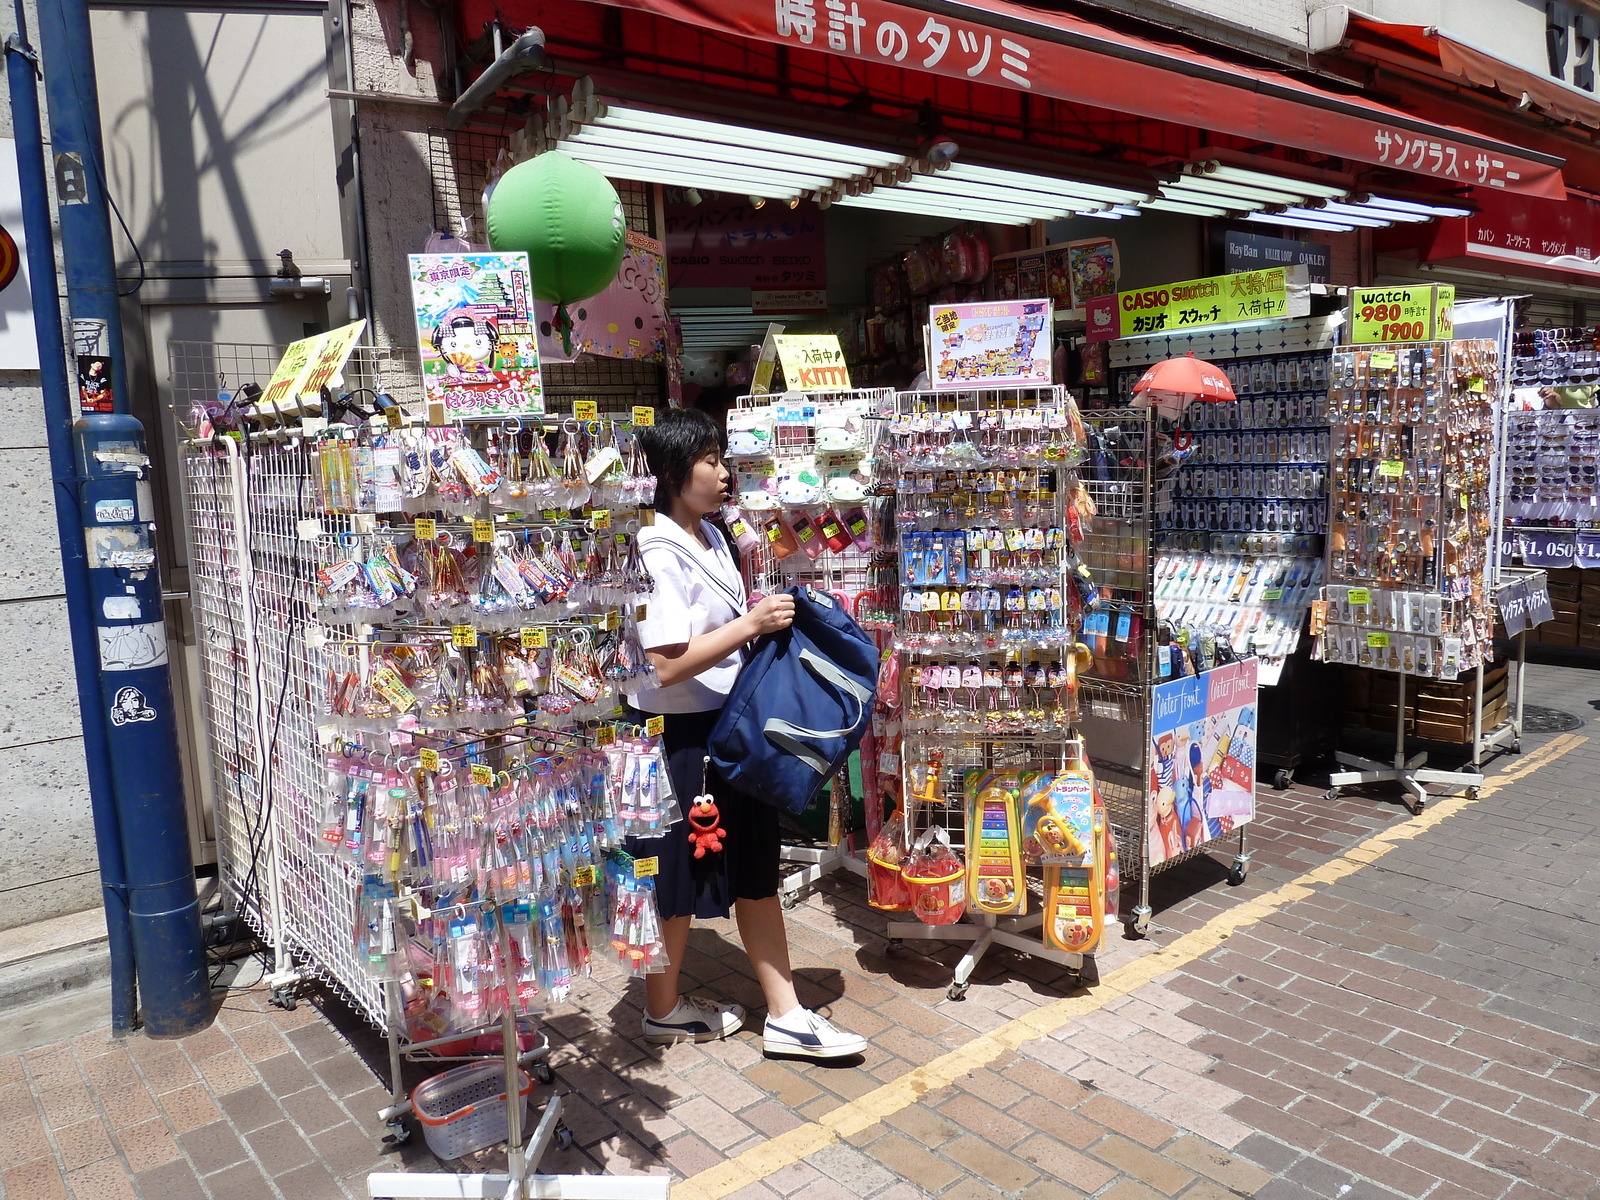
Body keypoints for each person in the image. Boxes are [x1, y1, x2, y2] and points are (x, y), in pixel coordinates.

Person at [624, 407, 866, 1060]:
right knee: (675, 876)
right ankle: (663, 1009)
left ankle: (785, 1013)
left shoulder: (711, 536)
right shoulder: (650, 546)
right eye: (710, 460)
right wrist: (752, 625)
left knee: (755, 863)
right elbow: (667, 660)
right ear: (673, 471)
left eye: (722, 458)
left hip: (730, 727)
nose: (725, 472)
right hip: (679, 738)